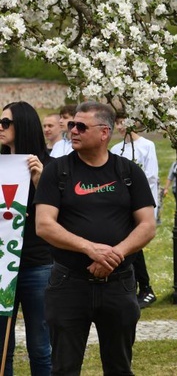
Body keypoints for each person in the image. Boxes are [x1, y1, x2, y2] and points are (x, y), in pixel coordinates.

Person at [34, 101, 156, 375]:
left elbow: (147, 225)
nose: (72, 131)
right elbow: (44, 225)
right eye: (70, 125)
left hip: (118, 283)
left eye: (80, 126)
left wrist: (115, 255)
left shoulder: (128, 172)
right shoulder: (57, 170)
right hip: (68, 284)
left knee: (119, 368)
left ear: (104, 133)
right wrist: (91, 249)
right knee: (64, 368)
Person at [0, 102, 52, 375]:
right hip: (2, 266)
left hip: (37, 264)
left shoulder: (49, 165)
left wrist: (39, 182)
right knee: (1, 347)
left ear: (24, 125)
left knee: (41, 346)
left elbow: (60, 215)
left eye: (6, 123)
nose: (0, 127)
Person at [110, 116, 160, 307]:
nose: (121, 127)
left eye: (124, 122)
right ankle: (134, 285)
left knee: (135, 243)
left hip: (138, 202)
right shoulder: (116, 149)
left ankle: (145, 286)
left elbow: (151, 175)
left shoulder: (147, 145)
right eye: (118, 123)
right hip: (121, 204)